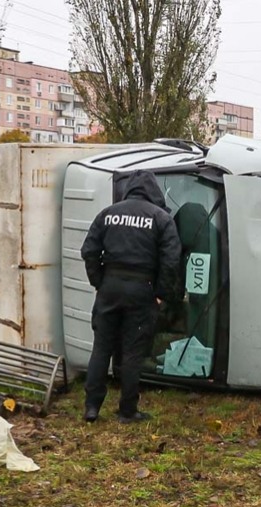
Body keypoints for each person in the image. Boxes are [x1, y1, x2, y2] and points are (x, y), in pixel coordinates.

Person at [80, 170, 181, 423]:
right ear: (153, 191)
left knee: (101, 348)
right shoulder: (161, 218)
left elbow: (89, 250)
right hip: (142, 288)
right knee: (133, 351)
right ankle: (127, 410)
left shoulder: (108, 214)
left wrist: (99, 282)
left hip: (110, 287)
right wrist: (160, 294)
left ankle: (91, 408)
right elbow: (171, 260)